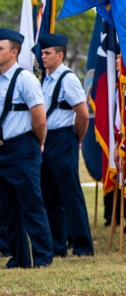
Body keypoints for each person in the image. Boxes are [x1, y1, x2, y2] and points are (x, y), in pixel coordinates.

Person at [0, 28, 52, 268]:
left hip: (23, 147)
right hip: (3, 149)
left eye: (0, 48)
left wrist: (37, 143)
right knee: (7, 207)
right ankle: (19, 257)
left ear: (14, 52)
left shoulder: (25, 79)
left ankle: (42, 257)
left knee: (31, 204)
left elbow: (39, 119)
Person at [38, 33, 92, 257]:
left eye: (48, 53)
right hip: (48, 140)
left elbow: (83, 115)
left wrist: (75, 139)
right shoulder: (45, 79)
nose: (43, 57)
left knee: (71, 195)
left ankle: (81, 246)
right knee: (49, 195)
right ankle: (57, 246)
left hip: (63, 138)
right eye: (42, 53)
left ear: (60, 55)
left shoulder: (67, 79)